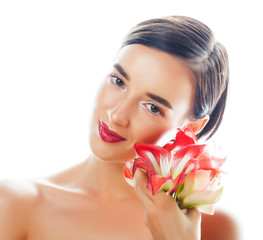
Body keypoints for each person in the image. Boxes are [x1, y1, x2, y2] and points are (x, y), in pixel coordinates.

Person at [0, 16, 239, 239]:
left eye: (152, 107)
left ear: (191, 127)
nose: (117, 115)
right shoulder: (17, 204)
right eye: (118, 81)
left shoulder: (213, 229)